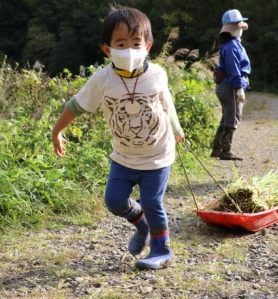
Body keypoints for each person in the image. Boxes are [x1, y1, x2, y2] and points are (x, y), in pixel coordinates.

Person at [51, 7, 185, 270]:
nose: (129, 49)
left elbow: (167, 104)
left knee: (152, 202)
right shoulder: (102, 80)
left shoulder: (157, 73)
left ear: (148, 45)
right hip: (123, 157)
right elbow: (76, 106)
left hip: (157, 155)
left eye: (136, 43)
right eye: (120, 44)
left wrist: (177, 130)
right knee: (114, 201)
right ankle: (141, 226)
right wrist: (57, 131)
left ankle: (161, 250)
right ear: (107, 49)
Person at [211, 9, 251, 160]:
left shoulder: (230, 44)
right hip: (230, 86)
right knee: (233, 117)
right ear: (232, 28)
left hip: (226, 85)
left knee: (227, 117)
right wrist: (239, 88)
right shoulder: (232, 46)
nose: (241, 29)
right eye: (238, 26)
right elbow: (234, 70)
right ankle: (225, 151)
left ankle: (217, 149)